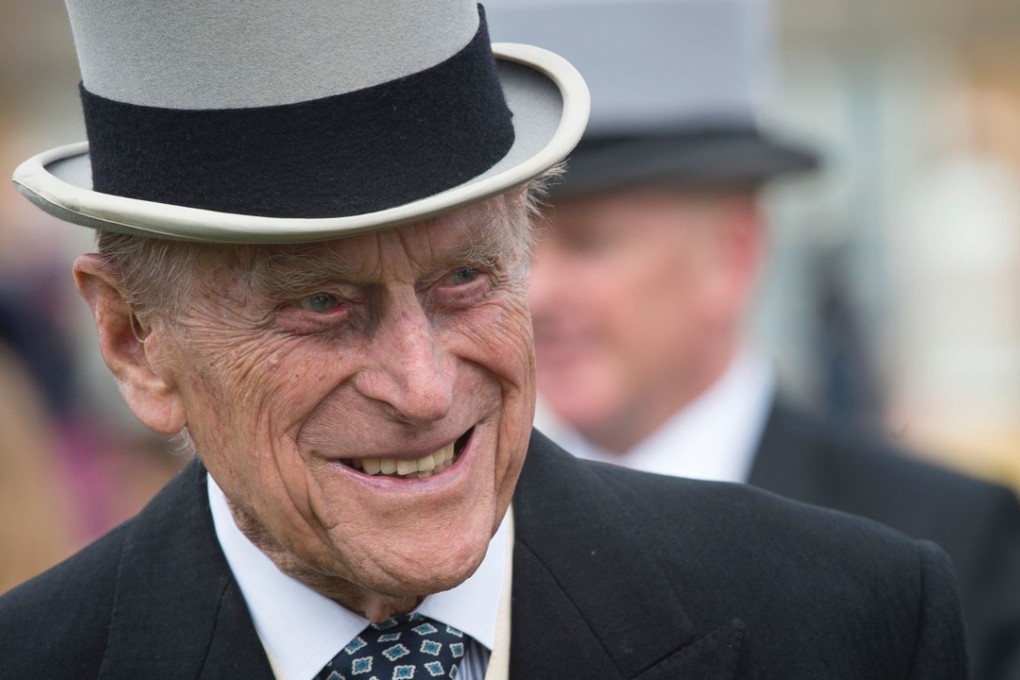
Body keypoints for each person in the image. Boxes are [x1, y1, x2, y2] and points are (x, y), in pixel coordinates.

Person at [0, 1, 966, 678]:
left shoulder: (850, 623)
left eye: (464, 279)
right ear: (135, 342)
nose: (422, 388)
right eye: (322, 305)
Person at [486, 1, 1020, 678]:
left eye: (590, 243)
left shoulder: (943, 534)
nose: (539, 292)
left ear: (731, 256)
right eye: (508, 250)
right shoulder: (461, 538)